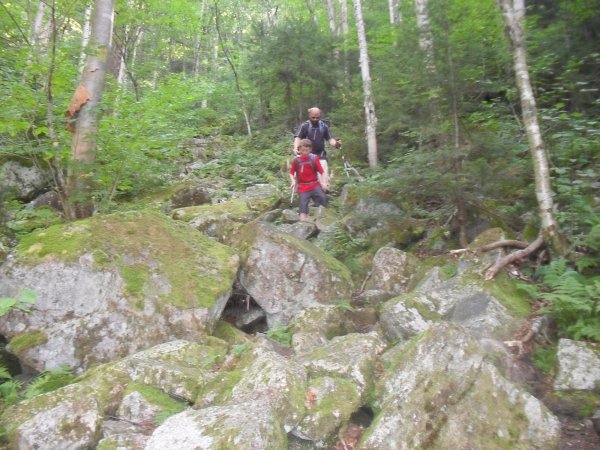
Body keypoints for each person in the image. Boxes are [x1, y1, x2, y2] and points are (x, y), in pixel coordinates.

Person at [293, 107, 341, 181]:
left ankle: (324, 188)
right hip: (306, 154)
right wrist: (296, 148)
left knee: (323, 176)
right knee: (306, 177)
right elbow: (298, 138)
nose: (315, 119)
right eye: (313, 117)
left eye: (317, 117)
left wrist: (336, 144)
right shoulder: (304, 126)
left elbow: (330, 139)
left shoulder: (324, 126)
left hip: (320, 154)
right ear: (309, 116)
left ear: (320, 116)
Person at [289, 139, 329, 222]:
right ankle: (303, 224)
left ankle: (324, 221)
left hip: (314, 185)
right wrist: (293, 181)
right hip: (303, 187)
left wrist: (324, 183)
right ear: (299, 149)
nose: (305, 152)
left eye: (307, 150)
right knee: (303, 206)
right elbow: (291, 172)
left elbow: (322, 172)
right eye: (303, 150)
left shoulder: (314, 158)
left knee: (323, 199)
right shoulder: (296, 160)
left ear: (310, 149)